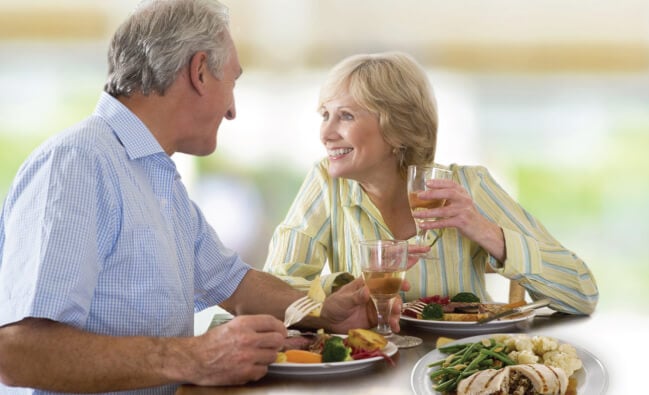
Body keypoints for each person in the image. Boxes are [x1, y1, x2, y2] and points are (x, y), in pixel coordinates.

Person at [0, 1, 400, 394]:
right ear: (199, 73)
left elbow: (235, 285)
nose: (233, 110)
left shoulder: (155, 177)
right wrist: (194, 357)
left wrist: (322, 312)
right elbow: (17, 353)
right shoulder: (76, 165)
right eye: (233, 81)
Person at [262, 52, 598, 315]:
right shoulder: (326, 184)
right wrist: (351, 287)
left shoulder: (469, 186)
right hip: (372, 375)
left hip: (458, 372)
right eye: (325, 115)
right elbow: (273, 290)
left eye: (346, 116)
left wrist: (483, 230)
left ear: (396, 129)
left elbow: (582, 292)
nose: (326, 133)